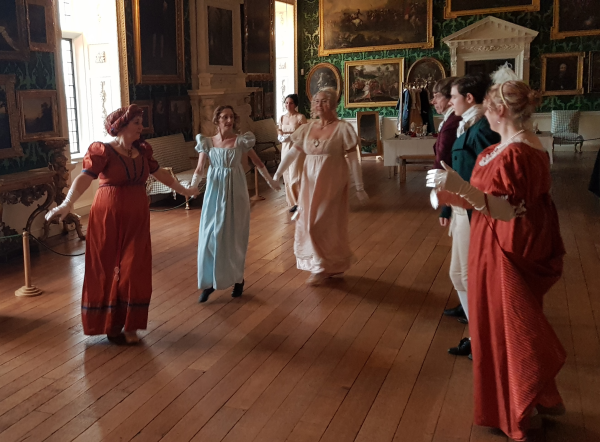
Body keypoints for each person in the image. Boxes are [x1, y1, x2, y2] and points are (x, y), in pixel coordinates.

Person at [427, 70, 566, 442]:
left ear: (500, 110)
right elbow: (484, 199)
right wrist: (445, 194)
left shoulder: (520, 152)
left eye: (489, 109)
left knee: (510, 327)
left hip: (509, 247)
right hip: (491, 241)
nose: (485, 116)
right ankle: (525, 401)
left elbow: (504, 210)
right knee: (494, 324)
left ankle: (519, 407)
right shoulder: (498, 149)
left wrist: (453, 187)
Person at [45, 104, 198, 345]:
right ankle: (110, 323)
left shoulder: (143, 151)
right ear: (122, 126)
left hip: (137, 218)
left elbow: (161, 175)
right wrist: (67, 204)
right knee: (107, 267)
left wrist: (184, 190)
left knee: (134, 266)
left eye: (140, 122)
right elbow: (84, 178)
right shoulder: (102, 151)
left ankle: (131, 325)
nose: (141, 127)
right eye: (136, 122)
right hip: (108, 217)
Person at [273, 88, 368, 286]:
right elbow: (293, 154)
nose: (319, 104)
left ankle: (322, 268)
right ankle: (329, 265)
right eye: (316, 101)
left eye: (324, 101)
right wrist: (277, 174)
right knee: (308, 223)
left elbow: (353, 160)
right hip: (309, 184)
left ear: (333, 104)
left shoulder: (343, 129)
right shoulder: (307, 129)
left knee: (323, 225)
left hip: (332, 182)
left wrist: (359, 187)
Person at [190, 105, 279, 303]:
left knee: (233, 237)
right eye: (224, 117)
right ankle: (209, 283)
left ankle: (237, 279)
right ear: (217, 120)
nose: (228, 121)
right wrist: (191, 188)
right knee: (209, 236)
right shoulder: (207, 142)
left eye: (231, 117)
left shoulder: (241, 141)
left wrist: (270, 181)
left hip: (235, 191)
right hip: (214, 192)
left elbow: (258, 162)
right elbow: (199, 168)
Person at [444, 74, 500, 358]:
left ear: (469, 98)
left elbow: (489, 175)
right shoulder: (468, 124)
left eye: (453, 96)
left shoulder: (482, 129)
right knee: (458, 274)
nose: (449, 101)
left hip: (474, 209)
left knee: (469, 275)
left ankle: (482, 339)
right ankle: (479, 333)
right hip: (460, 205)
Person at [278, 94, 307, 212]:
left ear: (295, 105)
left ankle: (301, 201)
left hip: (297, 147)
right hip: (285, 148)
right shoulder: (282, 117)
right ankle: (293, 202)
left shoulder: (300, 117)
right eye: (286, 103)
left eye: (290, 103)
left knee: (296, 173)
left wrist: (292, 137)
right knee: (287, 174)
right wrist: (280, 136)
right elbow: (279, 128)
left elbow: (305, 132)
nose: (288, 105)